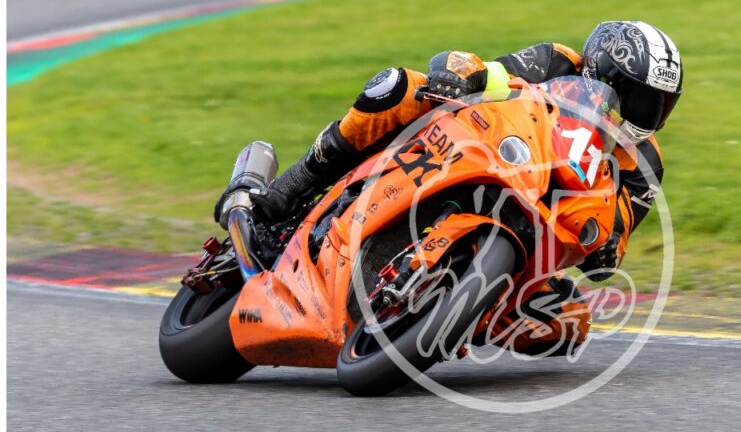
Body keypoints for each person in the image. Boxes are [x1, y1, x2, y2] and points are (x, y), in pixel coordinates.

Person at [216, 21, 683, 356]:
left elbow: (618, 231)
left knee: (570, 323)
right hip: (489, 154)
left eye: (660, 105)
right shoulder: (558, 61)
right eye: (640, 98)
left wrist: (605, 249)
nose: (647, 115)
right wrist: (456, 77)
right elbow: (485, 72)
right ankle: (289, 191)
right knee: (397, 88)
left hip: (539, 230)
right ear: (601, 73)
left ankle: (452, 316)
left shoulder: (645, 163)